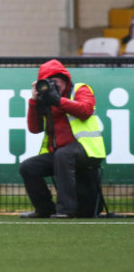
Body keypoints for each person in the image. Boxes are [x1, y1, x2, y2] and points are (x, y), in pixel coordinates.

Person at [19, 59, 106, 218]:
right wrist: (34, 102)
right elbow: (35, 129)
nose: (52, 85)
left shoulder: (80, 89)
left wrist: (57, 100)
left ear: (65, 79)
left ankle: (66, 210)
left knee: (63, 155)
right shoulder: (45, 99)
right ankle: (44, 209)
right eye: (47, 82)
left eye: (55, 81)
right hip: (60, 153)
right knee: (28, 167)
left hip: (86, 150)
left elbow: (85, 110)